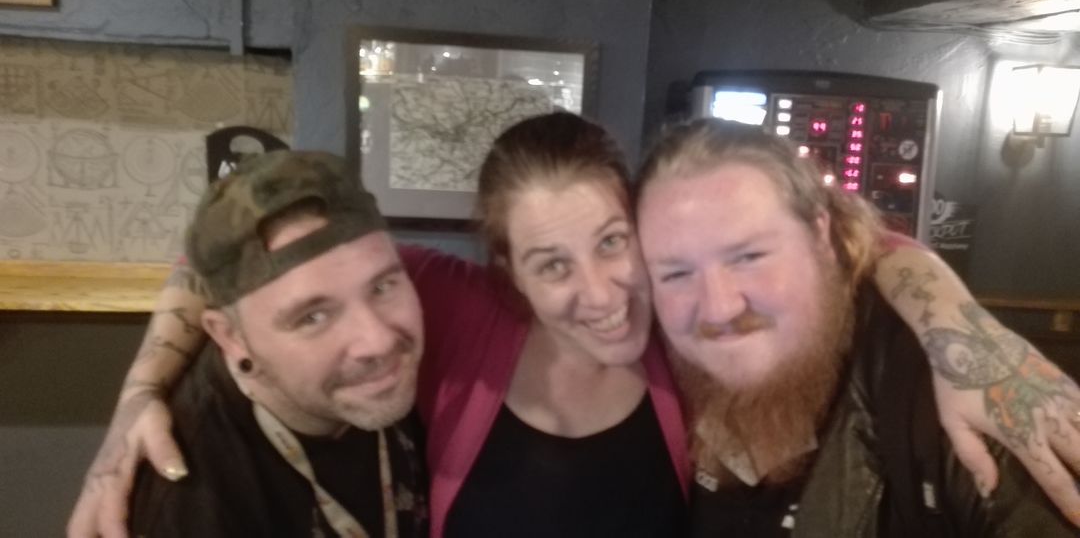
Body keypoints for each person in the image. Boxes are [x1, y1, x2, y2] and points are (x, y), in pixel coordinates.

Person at [68, 114, 1080, 538]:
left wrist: (954, 319)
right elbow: (232, 257)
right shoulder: (446, 308)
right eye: (552, 263)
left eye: (615, 243)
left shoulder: (689, 328)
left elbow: (850, 243)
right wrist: (138, 394)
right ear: (507, 271)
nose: (603, 292)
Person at [635, 118, 1080, 535]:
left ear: (821, 237)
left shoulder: (953, 391)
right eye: (676, 274)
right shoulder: (649, 371)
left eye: (749, 257)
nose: (718, 308)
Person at [125, 150, 428, 536]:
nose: (378, 341)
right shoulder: (194, 504)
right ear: (232, 338)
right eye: (313, 317)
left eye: (383, 287)